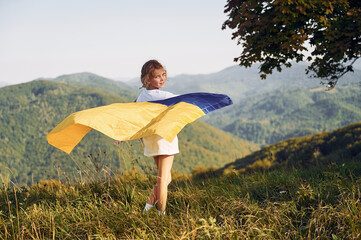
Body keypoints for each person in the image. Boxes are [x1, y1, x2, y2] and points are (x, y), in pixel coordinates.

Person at [136, 59, 178, 216]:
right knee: (163, 179)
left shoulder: (142, 96)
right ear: (148, 79)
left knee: (166, 178)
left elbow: (133, 110)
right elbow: (185, 102)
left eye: (164, 75)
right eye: (157, 76)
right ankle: (162, 215)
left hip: (151, 141)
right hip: (165, 139)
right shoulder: (165, 95)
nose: (162, 79)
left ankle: (147, 209)